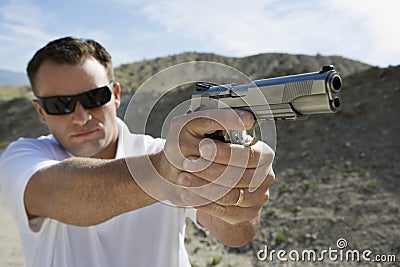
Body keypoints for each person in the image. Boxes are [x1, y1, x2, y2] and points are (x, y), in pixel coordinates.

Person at [0, 37, 275, 267]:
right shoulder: (21, 158)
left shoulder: (157, 152)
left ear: (115, 95)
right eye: (59, 105)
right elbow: (58, 192)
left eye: (94, 98)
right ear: (39, 111)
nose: (81, 116)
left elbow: (234, 234)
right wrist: (167, 170)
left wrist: (239, 201)